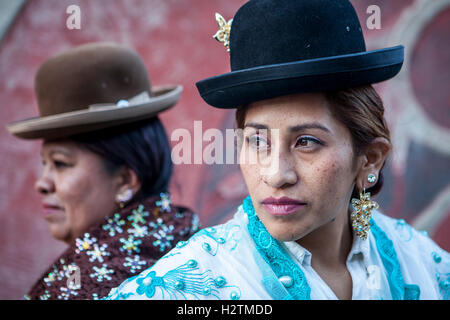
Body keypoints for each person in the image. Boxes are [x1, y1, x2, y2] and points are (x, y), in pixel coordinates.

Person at [105, 0, 449, 300]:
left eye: (307, 142)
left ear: (370, 157)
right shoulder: (189, 287)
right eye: (257, 141)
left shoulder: (421, 265)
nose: (275, 174)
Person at [6, 42, 200, 300]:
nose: (42, 183)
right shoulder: (189, 239)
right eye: (45, 163)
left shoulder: (82, 288)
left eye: (61, 163)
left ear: (124, 181)